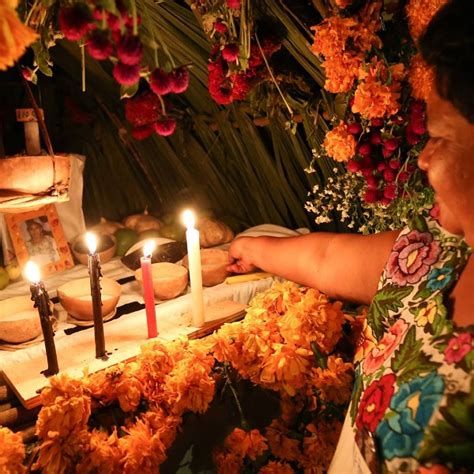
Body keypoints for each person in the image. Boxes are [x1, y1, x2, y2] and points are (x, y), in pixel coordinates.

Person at [227, 1, 474, 472]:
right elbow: (328, 259)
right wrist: (251, 248)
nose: (422, 160)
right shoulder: (435, 252)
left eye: (440, 137)